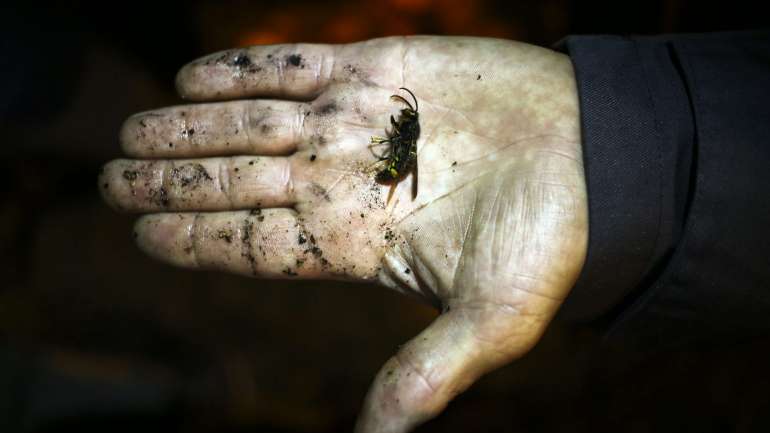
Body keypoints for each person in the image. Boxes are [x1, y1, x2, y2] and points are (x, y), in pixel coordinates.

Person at [99, 31, 770, 433]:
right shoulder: (403, 132)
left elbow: (403, 139)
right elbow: (401, 133)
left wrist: (618, 159)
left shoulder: (407, 139)